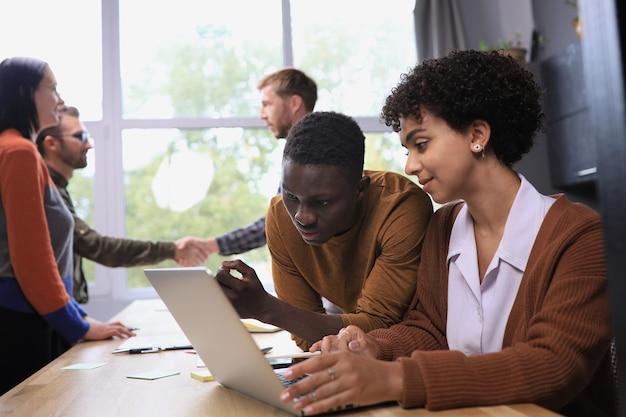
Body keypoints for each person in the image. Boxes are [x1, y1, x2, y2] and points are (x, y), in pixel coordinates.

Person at [278, 50, 616, 416]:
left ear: (477, 135)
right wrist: (372, 346)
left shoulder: (580, 236)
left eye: (421, 144)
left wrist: (395, 379)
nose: (409, 166)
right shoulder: (444, 226)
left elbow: (553, 365)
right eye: (407, 149)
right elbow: (429, 330)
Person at [215, 111, 433, 351]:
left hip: (404, 359)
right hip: (344, 361)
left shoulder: (400, 209)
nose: (302, 216)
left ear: (360, 190)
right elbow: (305, 337)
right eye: (291, 196)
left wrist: (267, 308)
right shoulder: (280, 217)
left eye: (323, 202)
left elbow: (377, 326)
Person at [0, 57, 134, 395]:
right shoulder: (17, 152)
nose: (60, 98)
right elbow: (32, 260)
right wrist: (76, 324)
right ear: (23, 91)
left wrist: (81, 317)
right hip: (18, 320)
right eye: (53, 88)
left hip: (27, 314)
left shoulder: (22, 151)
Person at [36, 106, 210, 303]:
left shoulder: (55, 188)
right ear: (51, 144)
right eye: (80, 136)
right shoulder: (44, 191)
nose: (89, 145)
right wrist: (171, 250)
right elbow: (98, 247)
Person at [201, 67, 317, 257]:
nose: (262, 114)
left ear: (295, 103)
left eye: (267, 104)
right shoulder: (302, 148)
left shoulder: (309, 152)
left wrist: (213, 246)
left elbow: (278, 221)